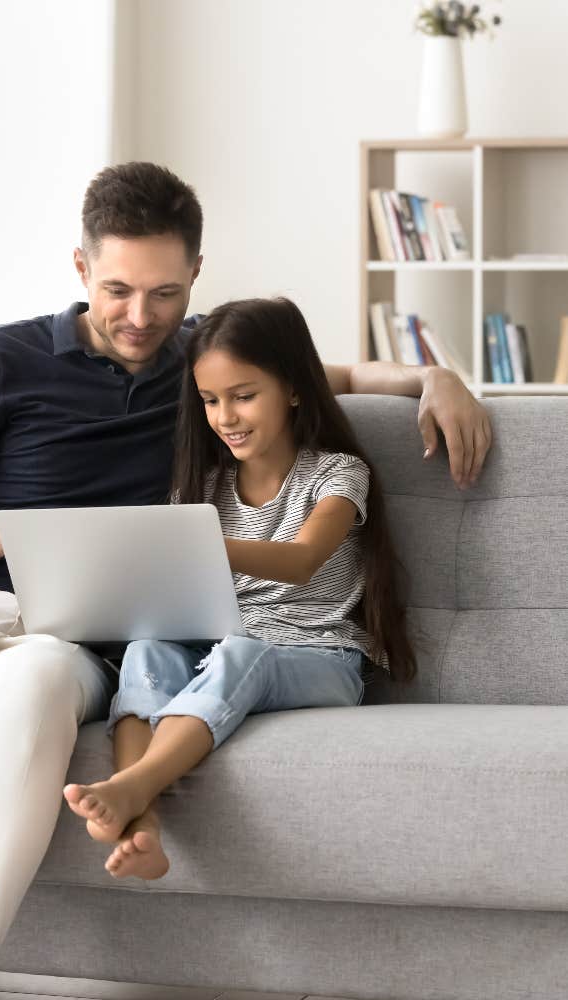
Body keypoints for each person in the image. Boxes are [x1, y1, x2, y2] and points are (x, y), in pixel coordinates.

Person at [0, 163, 492, 1000]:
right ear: (82, 268)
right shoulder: (0, 357)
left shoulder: (203, 365)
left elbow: (319, 375)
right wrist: (33, 537)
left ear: (195, 275)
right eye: (119, 288)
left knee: (34, 715)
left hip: (67, 634)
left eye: (164, 293)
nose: (140, 316)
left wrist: (437, 377)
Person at [63, 294, 417, 879]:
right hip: (221, 642)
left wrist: (194, 542)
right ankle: (144, 825)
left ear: (294, 389)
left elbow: (303, 559)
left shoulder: (336, 473)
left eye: (244, 396)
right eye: (210, 401)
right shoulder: (204, 486)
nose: (225, 416)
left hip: (320, 654)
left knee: (242, 652)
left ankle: (132, 787)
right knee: (147, 649)